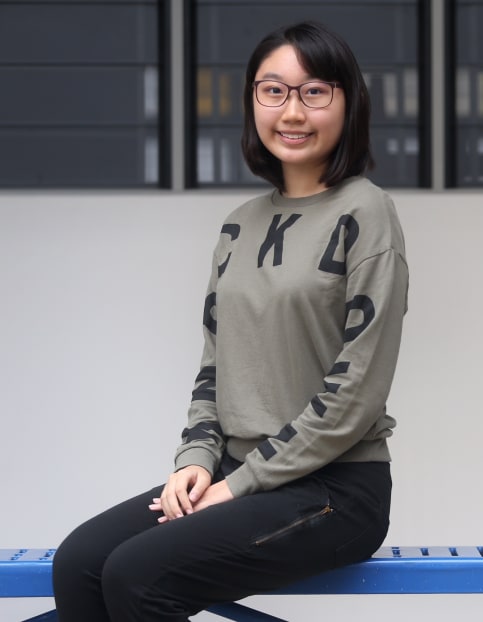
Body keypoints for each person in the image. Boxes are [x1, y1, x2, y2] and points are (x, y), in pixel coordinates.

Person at [52, 20, 408, 621]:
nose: (292, 111)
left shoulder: (366, 212)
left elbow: (357, 391)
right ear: (252, 101)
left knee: (138, 575)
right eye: (273, 91)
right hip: (236, 472)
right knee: (80, 563)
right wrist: (195, 459)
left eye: (314, 91)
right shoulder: (240, 224)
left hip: (334, 490)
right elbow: (214, 368)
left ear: (349, 102)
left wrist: (237, 486)